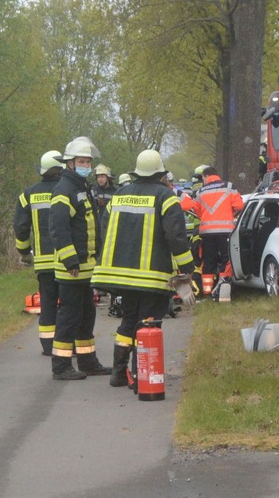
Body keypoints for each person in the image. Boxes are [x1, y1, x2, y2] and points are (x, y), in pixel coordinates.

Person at [93, 150, 196, 388]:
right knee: (149, 323)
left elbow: (104, 228)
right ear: (160, 173)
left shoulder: (119, 195)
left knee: (129, 320)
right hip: (152, 277)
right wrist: (187, 267)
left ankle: (118, 373)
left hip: (122, 275)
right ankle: (142, 376)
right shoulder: (166, 197)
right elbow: (176, 237)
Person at [48, 137, 111, 380]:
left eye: (88, 161)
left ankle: (87, 361)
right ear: (71, 164)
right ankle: (61, 366)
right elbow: (59, 229)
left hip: (86, 268)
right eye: (82, 161)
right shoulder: (64, 190)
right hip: (72, 269)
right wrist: (70, 260)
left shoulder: (81, 187)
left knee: (87, 315)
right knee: (69, 317)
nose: (86, 165)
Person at [14, 150, 67, 356]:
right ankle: (66, 341)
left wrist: (24, 251)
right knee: (68, 302)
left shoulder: (28, 194)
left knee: (47, 301)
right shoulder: (68, 191)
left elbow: (20, 227)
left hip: (43, 262)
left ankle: (48, 344)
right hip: (67, 261)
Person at [192, 165, 244, 297]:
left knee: (208, 260)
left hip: (207, 232)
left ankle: (207, 291)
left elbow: (197, 210)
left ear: (205, 176)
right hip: (225, 231)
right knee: (226, 259)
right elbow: (239, 205)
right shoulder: (229, 187)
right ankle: (223, 287)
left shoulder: (200, 192)